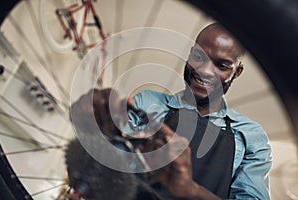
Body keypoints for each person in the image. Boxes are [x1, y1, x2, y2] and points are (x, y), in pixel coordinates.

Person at [71, 23, 272, 200]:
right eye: (199, 57)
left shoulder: (250, 137)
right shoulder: (147, 101)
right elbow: (115, 152)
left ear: (236, 72)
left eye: (221, 65)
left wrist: (191, 191)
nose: (206, 71)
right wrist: (96, 121)